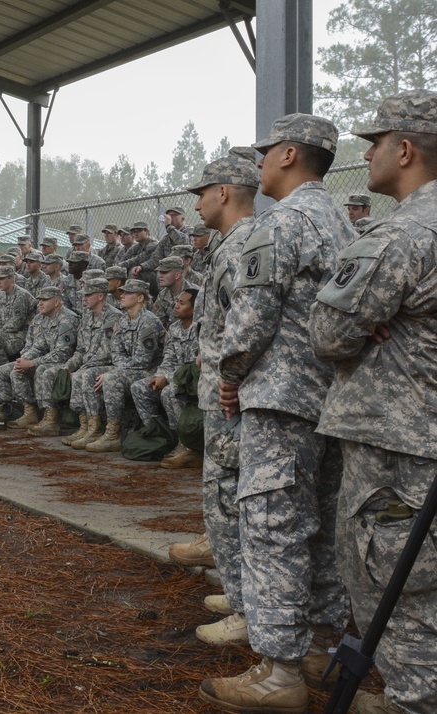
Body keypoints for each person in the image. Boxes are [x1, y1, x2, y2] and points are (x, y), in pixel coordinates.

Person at [201, 114, 355, 714]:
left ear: (289, 154)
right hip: (331, 398)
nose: (258, 164)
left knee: (272, 529)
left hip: (280, 398)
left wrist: (231, 375)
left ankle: (279, 672)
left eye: (266, 153)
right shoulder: (341, 222)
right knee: (319, 525)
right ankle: (318, 648)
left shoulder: (281, 224)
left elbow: (251, 316)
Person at [308, 89, 437, 714]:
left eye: (375, 143)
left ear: (405, 149)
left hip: (400, 444)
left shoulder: (402, 234)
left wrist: (364, 323)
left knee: (401, 591)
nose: (370, 154)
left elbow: (329, 334)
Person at [170, 151, 259, 640]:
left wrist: (230, 375)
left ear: (223, 192)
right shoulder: (228, 244)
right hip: (221, 393)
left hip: (230, 397)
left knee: (228, 497)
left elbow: (246, 323)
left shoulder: (242, 244)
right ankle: (240, 589)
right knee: (223, 497)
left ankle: (248, 608)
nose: (199, 203)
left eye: (202, 193)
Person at [84, 279, 164, 453]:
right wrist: (119, 368)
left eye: (128, 293)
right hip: (130, 369)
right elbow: (115, 352)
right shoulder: (123, 320)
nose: (122, 295)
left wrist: (117, 371)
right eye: (123, 292)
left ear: (140, 298)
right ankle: (93, 427)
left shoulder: (148, 321)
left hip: (149, 372)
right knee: (90, 374)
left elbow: (143, 361)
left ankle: (113, 434)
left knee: (112, 378)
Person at [0, 286, 79, 435]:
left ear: (57, 302)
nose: (40, 303)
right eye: (39, 300)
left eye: (44, 300)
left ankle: (51, 420)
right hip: (43, 359)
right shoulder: (40, 318)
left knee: (41, 370)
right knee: (10, 371)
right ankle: (25, 412)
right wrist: (24, 359)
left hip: (65, 363)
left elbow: (63, 353)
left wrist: (32, 363)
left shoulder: (68, 318)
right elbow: (36, 346)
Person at [131, 288, 199, 464]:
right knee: (140, 388)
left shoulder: (202, 328)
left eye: (182, 303)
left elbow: (194, 365)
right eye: (176, 302)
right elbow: (168, 358)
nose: (175, 306)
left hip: (194, 379)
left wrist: (167, 378)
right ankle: (158, 435)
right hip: (174, 375)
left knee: (170, 392)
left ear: (196, 307)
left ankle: (186, 444)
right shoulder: (175, 328)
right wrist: (160, 375)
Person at [62, 277, 123, 448]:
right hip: (89, 364)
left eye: (88, 295)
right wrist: (70, 365)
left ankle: (95, 429)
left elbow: (107, 353)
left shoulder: (114, 317)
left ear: (101, 296)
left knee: (84, 374)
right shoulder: (87, 317)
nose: (84, 298)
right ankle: (86, 426)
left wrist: (81, 368)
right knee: (72, 372)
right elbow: (81, 350)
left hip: (109, 364)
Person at [152, 255, 199, 329]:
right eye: (160, 273)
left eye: (164, 272)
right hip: (175, 335)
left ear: (177, 275)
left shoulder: (195, 293)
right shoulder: (163, 296)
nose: (160, 276)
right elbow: (158, 323)